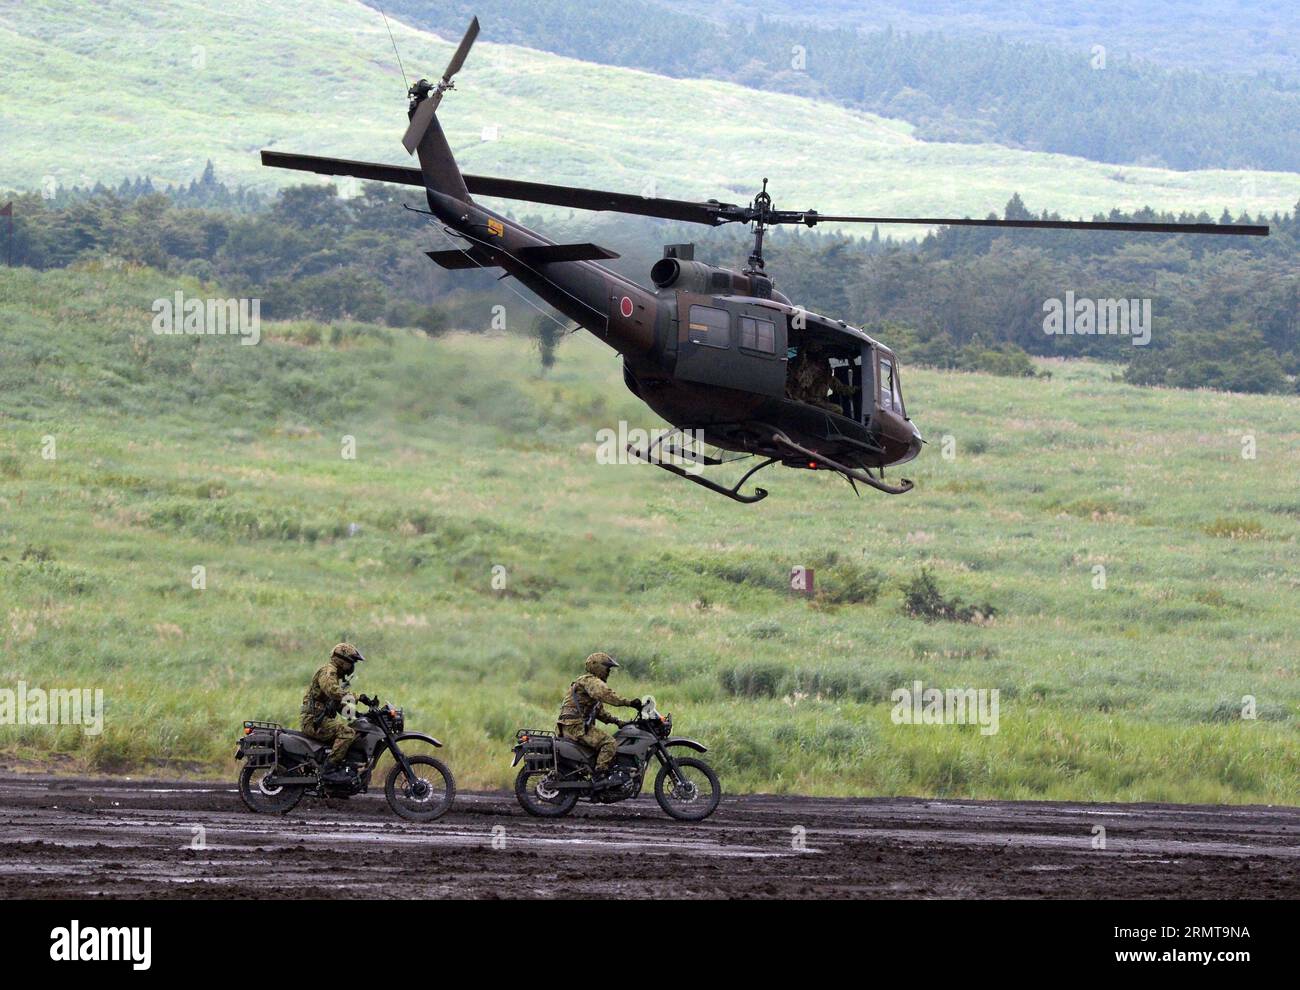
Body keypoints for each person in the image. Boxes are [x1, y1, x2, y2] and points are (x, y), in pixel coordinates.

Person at [557, 652, 641, 785]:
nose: (608, 672)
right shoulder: (591, 681)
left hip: (570, 725)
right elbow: (606, 695)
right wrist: (629, 703)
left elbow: (600, 712)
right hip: (575, 727)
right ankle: (599, 777)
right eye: (607, 668)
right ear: (598, 667)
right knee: (609, 743)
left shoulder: (586, 683)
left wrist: (619, 722)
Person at [300, 643, 365, 783]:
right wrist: (357, 697)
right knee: (347, 733)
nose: (352, 666)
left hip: (319, 719)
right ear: (341, 660)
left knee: (355, 730)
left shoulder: (334, 674)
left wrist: (357, 715)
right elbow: (332, 691)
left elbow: (335, 705)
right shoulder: (328, 672)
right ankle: (328, 770)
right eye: (351, 662)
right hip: (314, 721)